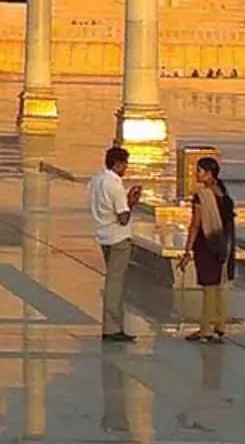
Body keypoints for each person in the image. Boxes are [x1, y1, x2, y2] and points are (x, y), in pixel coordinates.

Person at [177, 155, 235, 342]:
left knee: (209, 286)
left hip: (206, 242)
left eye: (199, 171)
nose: (196, 174)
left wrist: (187, 250)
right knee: (217, 284)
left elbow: (195, 224)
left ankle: (206, 329)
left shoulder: (202, 195)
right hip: (222, 242)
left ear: (209, 174)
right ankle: (219, 324)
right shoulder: (222, 193)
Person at [89, 145, 143, 342]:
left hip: (103, 235)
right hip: (118, 238)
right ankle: (112, 327)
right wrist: (131, 201)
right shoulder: (115, 185)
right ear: (118, 164)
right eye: (125, 164)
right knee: (115, 283)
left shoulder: (96, 181)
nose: (126, 168)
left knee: (114, 280)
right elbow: (123, 217)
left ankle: (114, 324)